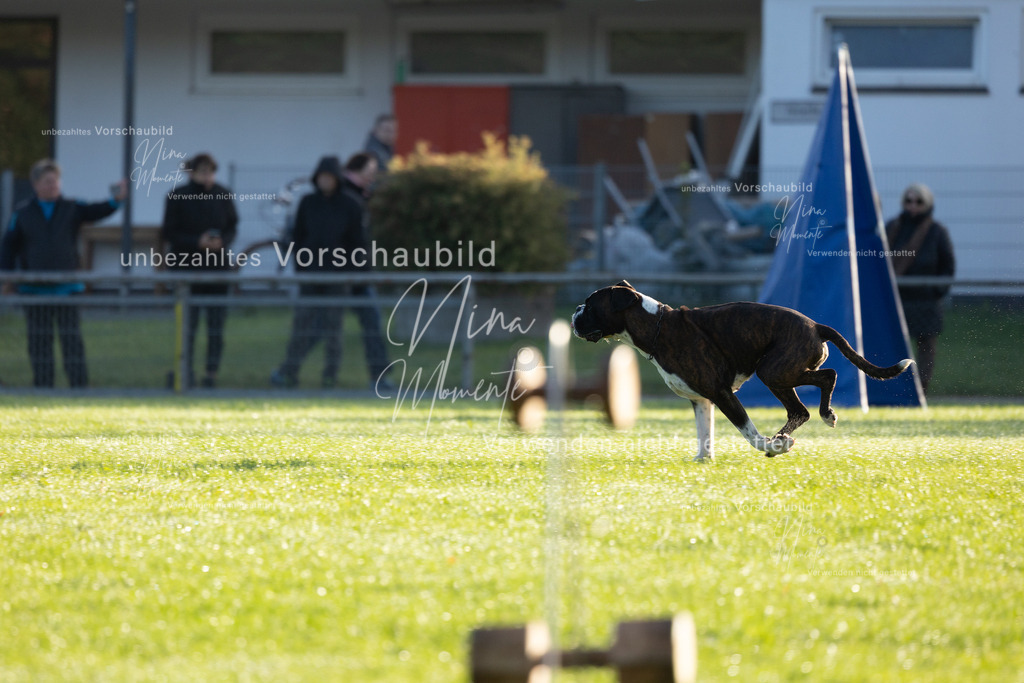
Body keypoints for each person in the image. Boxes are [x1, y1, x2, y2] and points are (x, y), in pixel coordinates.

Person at [0, 159, 126, 388]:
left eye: (56, 181)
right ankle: (43, 385)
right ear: (36, 184)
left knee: (71, 339)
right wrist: (7, 278)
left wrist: (116, 200)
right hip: (34, 290)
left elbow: (96, 210)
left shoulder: (72, 207)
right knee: (39, 341)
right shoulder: (22, 213)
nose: (53, 186)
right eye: (48, 181)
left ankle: (79, 386)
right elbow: (8, 246)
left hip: (68, 289)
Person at [270, 156, 363, 388]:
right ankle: (290, 372)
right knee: (301, 325)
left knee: (333, 329)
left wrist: (349, 270)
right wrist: (301, 265)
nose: (325, 181)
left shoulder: (350, 205)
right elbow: (299, 237)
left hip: (337, 277)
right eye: (321, 177)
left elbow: (358, 243)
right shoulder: (308, 203)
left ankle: (330, 375)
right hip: (310, 276)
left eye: (329, 177)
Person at [161, 153, 238, 388]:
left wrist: (221, 242)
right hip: (186, 270)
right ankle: (185, 371)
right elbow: (168, 232)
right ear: (192, 172)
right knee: (187, 326)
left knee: (216, 326)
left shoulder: (223, 195)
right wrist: (197, 241)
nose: (208, 176)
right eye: (203, 171)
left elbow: (232, 226)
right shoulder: (177, 196)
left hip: (217, 270)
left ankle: (211, 374)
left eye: (211, 171)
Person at [885, 183, 955, 394]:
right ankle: (894, 387)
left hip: (925, 301)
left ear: (927, 204)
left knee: (926, 347)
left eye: (919, 201)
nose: (913, 206)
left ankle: (920, 389)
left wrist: (935, 292)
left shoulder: (937, 232)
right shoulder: (892, 227)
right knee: (892, 344)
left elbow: (947, 266)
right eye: (909, 201)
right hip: (896, 300)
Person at [341, 152, 392, 390]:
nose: (373, 175)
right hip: (343, 275)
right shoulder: (346, 197)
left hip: (360, 274)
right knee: (317, 326)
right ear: (357, 169)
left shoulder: (363, 196)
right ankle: (287, 371)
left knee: (372, 322)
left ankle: (380, 376)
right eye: (369, 171)